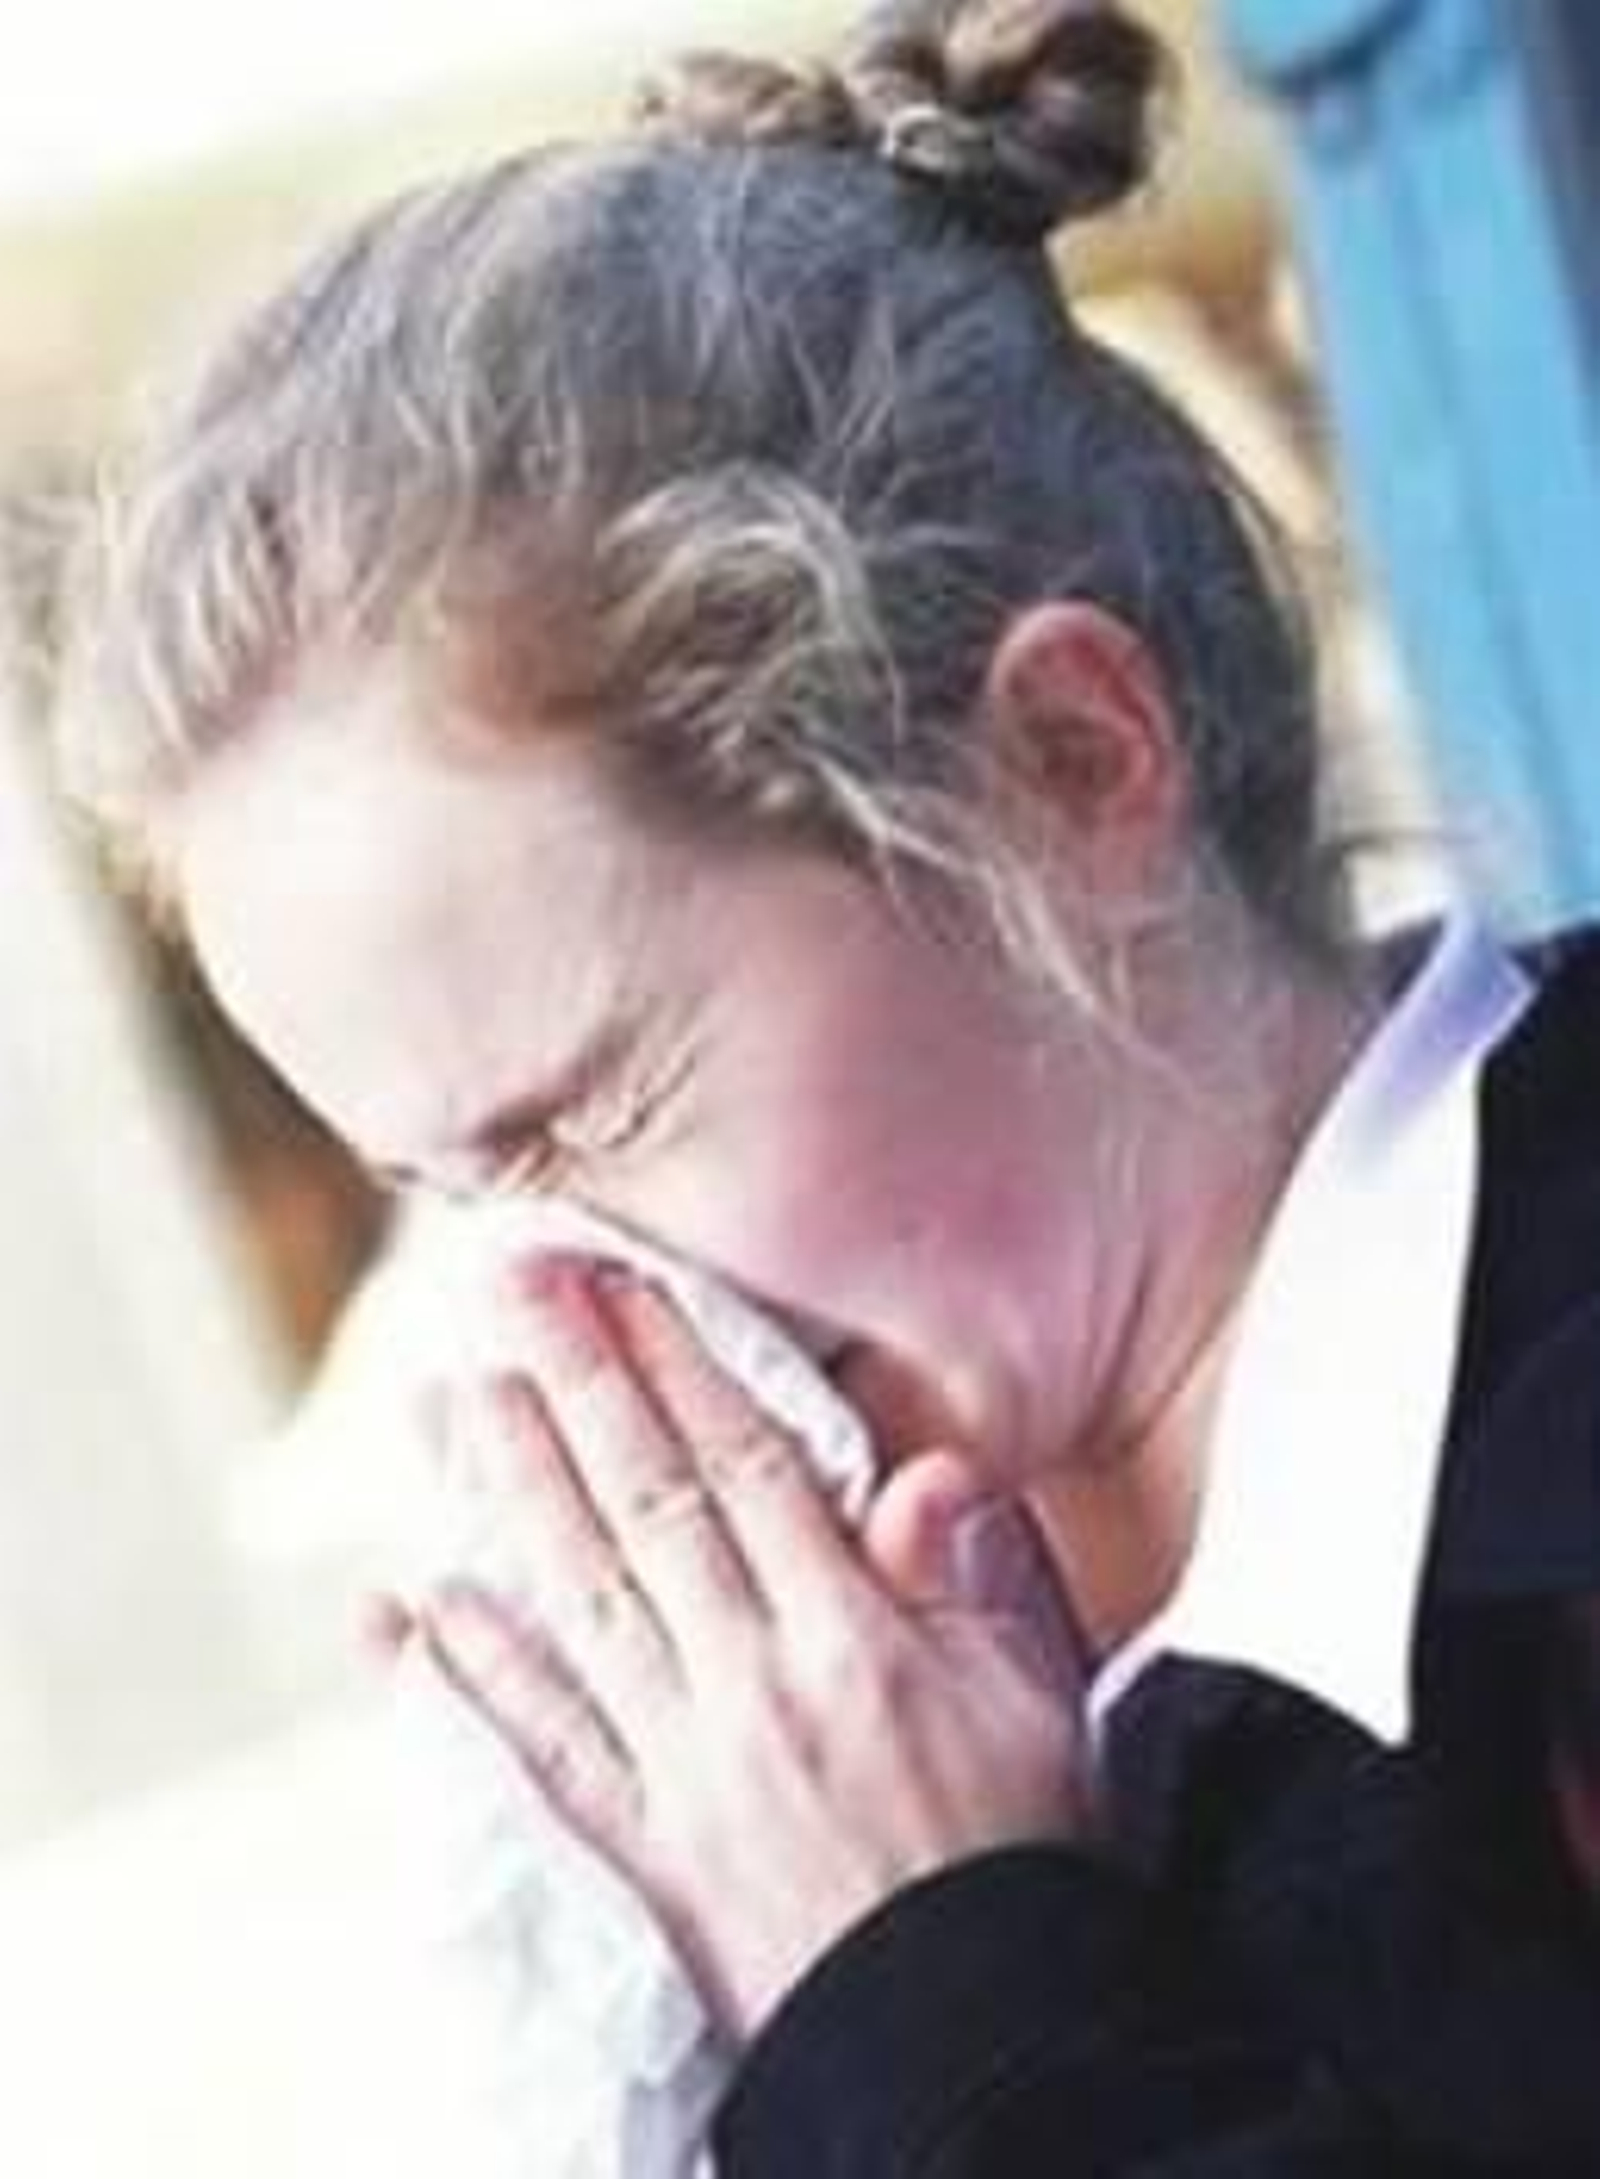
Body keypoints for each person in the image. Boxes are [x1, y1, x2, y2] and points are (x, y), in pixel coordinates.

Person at [57, 0, 1600, 2166]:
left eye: (587, 1111)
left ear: (1067, 766)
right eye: (454, 1192)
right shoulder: (780, 1765)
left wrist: (943, 1998)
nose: (550, 1304)